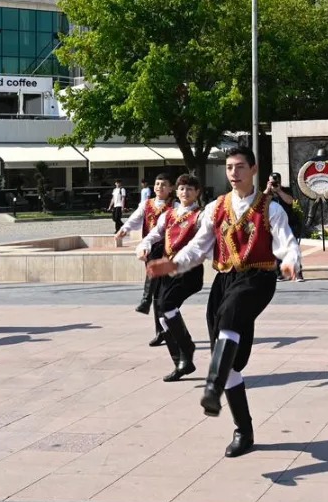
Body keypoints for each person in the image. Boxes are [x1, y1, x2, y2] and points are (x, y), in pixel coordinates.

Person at [146, 147, 301, 458]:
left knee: (230, 318)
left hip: (257, 278)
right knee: (229, 356)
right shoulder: (216, 207)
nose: (233, 172)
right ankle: (244, 430)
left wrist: (290, 263)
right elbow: (199, 246)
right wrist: (172, 264)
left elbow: (287, 243)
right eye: (229, 167)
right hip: (224, 281)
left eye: (240, 167)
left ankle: (212, 388)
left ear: (253, 170)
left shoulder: (270, 208)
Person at [136, 173, 206, 381]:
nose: (185, 193)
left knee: (166, 305)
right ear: (177, 191)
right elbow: (154, 234)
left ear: (197, 193)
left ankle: (187, 347)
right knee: (161, 314)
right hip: (168, 272)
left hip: (188, 272)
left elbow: (205, 242)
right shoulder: (168, 215)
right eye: (182, 189)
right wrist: (144, 246)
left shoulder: (200, 216)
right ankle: (181, 361)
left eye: (190, 189)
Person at [116, 173, 174, 343]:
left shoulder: (175, 206)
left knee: (165, 293)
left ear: (171, 188)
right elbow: (134, 219)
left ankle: (146, 300)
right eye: (157, 184)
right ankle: (161, 330)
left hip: (168, 251)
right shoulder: (146, 204)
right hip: (149, 250)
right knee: (159, 293)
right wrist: (124, 229)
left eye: (163, 184)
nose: (159, 187)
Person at [265, 172, 305, 282]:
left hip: (288, 224)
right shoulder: (266, 193)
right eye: (271, 182)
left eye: (276, 182)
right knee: (276, 248)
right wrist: (268, 190)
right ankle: (280, 273)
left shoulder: (285, 190)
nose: (274, 184)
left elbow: (290, 201)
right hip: (273, 226)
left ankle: (298, 273)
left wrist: (278, 191)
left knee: (292, 247)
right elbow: (259, 203)